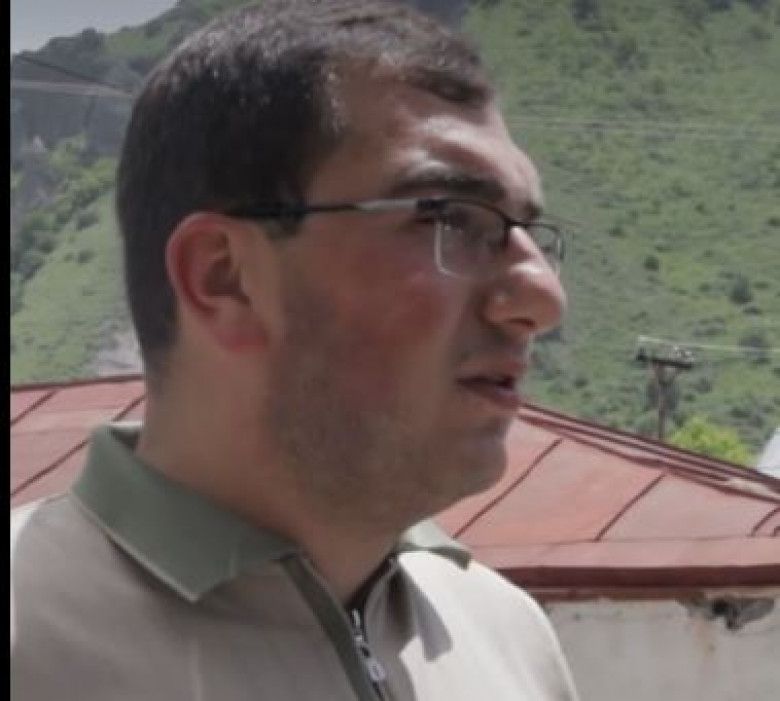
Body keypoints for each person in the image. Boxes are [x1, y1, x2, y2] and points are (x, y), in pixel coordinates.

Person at [11, 1, 579, 699]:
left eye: (528, 231)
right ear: (224, 278)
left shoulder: (507, 637)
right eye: (447, 217)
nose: (543, 296)